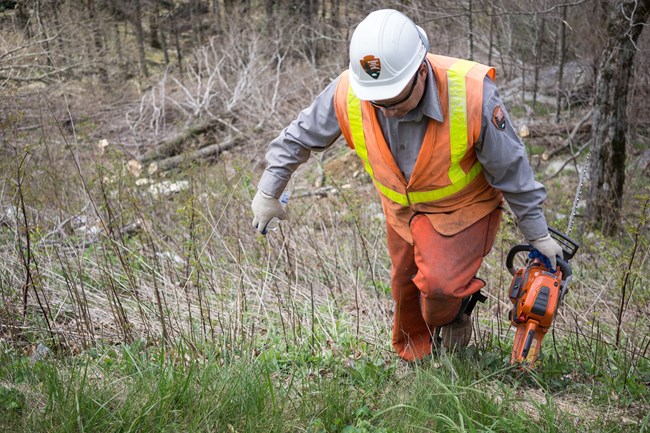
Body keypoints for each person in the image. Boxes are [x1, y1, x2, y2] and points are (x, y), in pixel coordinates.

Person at [251, 9, 563, 361]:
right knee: (405, 288)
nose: (387, 111)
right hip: (400, 212)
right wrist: (268, 190)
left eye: (395, 100)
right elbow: (298, 136)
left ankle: (455, 311)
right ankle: (419, 361)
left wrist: (537, 233)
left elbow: (511, 168)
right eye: (378, 102)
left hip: (462, 210)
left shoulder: (471, 93)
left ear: (422, 71)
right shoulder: (352, 90)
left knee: (439, 288)